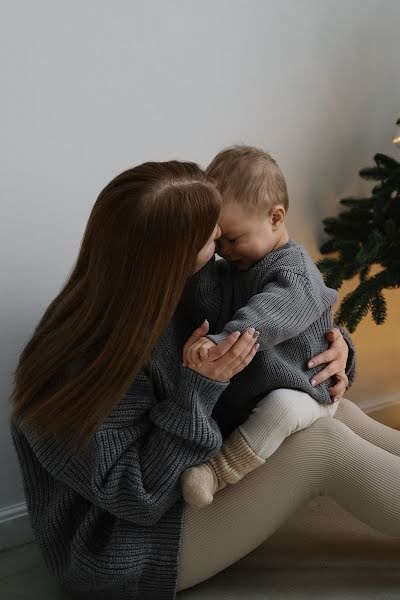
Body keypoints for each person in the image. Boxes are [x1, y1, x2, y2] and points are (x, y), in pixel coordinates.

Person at [8, 161, 400, 600]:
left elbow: (273, 320)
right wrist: (199, 388)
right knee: (320, 445)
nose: (222, 249)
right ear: (172, 256)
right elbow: (138, 496)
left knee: (334, 412)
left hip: (182, 492)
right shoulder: (80, 361)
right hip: (125, 548)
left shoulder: (186, 285)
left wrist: (337, 350)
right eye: (213, 240)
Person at [180, 145, 349, 508]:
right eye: (217, 239)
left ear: (275, 218)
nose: (224, 250)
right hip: (263, 387)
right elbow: (206, 302)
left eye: (233, 238)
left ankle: (219, 472)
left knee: (283, 408)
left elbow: (266, 317)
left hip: (306, 389)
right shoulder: (236, 267)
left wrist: (219, 341)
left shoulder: (294, 273)